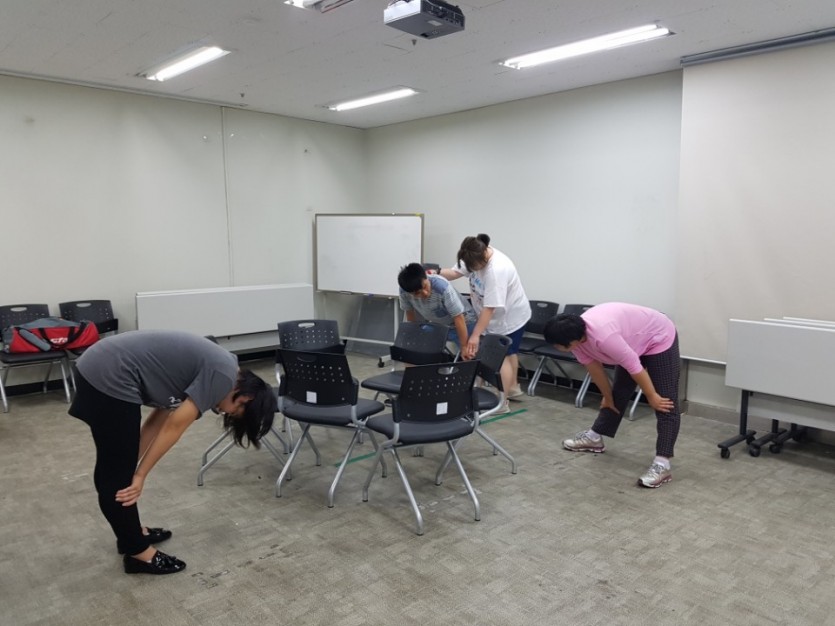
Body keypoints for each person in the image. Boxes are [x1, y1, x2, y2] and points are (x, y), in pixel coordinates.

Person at [68, 330, 276, 575]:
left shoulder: (222, 369)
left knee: (117, 468)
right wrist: (139, 474)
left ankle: (132, 533)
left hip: (103, 364)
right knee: (116, 478)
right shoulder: (222, 376)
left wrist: (131, 463)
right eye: (233, 412)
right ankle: (137, 553)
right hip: (109, 373)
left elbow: (160, 417)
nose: (223, 412)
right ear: (245, 398)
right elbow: (174, 427)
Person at [543, 302, 680, 488]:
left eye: (558, 345)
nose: (556, 348)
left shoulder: (605, 337)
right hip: (632, 340)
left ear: (575, 339)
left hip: (658, 336)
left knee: (665, 401)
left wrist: (651, 396)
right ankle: (594, 438)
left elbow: (634, 367)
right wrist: (607, 397)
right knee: (617, 393)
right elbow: (594, 368)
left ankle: (662, 464)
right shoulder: (575, 338)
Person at [440, 234, 531, 409]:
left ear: (483, 259)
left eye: (474, 268)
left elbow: (490, 308)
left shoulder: (497, 270)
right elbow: (454, 272)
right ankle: (512, 388)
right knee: (509, 353)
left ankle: (502, 403)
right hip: (493, 316)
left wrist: (475, 335)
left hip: (508, 317)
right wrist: (434, 272)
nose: (471, 271)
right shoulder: (473, 252)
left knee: (502, 357)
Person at [397, 262, 477, 349]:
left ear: (426, 277)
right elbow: (410, 314)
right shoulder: (404, 292)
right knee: (422, 344)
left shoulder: (442, 287)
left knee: (469, 353)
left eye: (425, 286)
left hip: (465, 321)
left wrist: (464, 346)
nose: (425, 293)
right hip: (440, 325)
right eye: (417, 293)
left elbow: (459, 317)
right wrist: (413, 339)